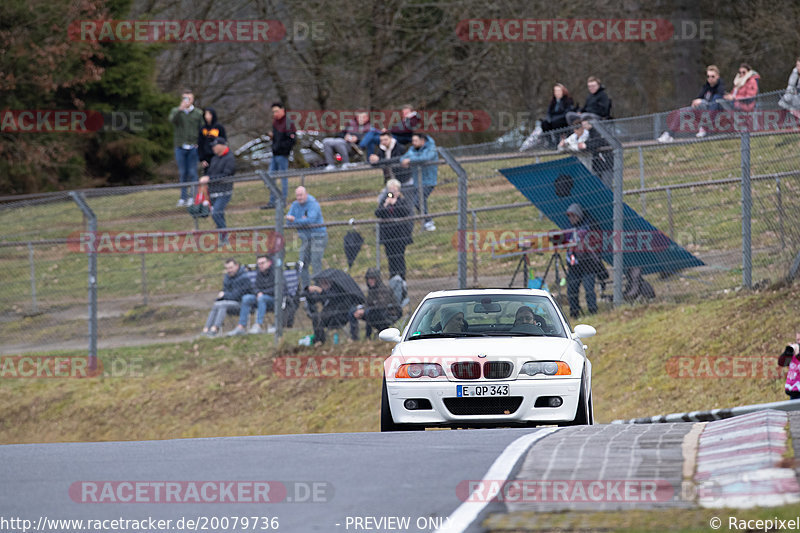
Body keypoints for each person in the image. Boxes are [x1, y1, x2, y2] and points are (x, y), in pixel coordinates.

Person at [661, 65, 726, 142]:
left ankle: (705, 128)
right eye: (708, 76)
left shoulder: (720, 88)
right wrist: (696, 102)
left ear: (717, 77)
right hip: (700, 112)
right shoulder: (706, 87)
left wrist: (701, 102)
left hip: (711, 116)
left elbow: (714, 104)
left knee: (705, 102)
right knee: (681, 112)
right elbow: (699, 98)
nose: (710, 79)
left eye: (712, 76)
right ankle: (669, 135)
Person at [306, 269, 364, 344]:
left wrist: (319, 290)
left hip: (337, 316)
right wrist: (308, 295)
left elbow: (331, 296)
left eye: (324, 282)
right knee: (315, 317)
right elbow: (317, 299)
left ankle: (319, 341)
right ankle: (319, 340)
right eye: (321, 283)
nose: (322, 284)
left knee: (318, 318)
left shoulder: (337, 291)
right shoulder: (326, 292)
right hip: (328, 316)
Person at [286, 186, 328, 289]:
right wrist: (301, 220)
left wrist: (295, 220)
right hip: (305, 238)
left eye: (301, 195)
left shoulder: (313, 204)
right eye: (297, 195)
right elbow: (288, 221)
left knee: (315, 261)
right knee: (302, 263)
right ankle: (306, 288)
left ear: (306, 194)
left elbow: (310, 220)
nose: (299, 197)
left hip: (318, 236)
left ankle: (318, 288)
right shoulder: (295, 205)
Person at [565, 203, 601, 319]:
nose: (571, 219)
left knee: (589, 289)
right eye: (570, 217)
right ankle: (574, 313)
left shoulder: (590, 226)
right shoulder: (569, 229)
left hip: (588, 264)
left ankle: (593, 311)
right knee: (572, 290)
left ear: (579, 216)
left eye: (574, 216)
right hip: (574, 266)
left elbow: (596, 245)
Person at [169, 89, 204, 207]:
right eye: (185, 98)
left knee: (193, 172)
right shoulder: (176, 111)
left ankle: (193, 197)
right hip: (180, 147)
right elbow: (172, 121)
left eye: (189, 98)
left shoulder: (198, 113)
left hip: (193, 147)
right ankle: (183, 198)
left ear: (193, 99)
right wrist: (180, 109)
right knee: (183, 173)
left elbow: (202, 129)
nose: (187, 101)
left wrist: (200, 143)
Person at [201, 258, 253, 337]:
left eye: (231, 268)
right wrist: (219, 298)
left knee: (222, 304)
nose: (229, 270)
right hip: (230, 302)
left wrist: (224, 295)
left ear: (237, 266)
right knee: (217, 304)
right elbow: (226, 292)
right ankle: (206, 330)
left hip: (242, 304)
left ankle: (214, 329)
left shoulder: (244, 277)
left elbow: (237, 296)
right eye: (227, 268)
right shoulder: (227, 277)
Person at [375, 179, 414, 280]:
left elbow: (405, 211)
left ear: (398, 191)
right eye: (390, 191)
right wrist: (386, 205)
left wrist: (395, 203)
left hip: (400, 235)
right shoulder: (384, 201)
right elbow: (378, 213)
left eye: (394, 190)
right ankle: (392, 277)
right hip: (388, 235)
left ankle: (401, 277)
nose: (392, 193)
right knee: (390, 257)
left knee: (399, 257)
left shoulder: (402, 200)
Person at [199, 137, 235, 241]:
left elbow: (227, 174)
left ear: (222, 146)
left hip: (224, 192)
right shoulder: (214, 158)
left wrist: (210, 178)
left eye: (215, 146)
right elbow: (210, 173)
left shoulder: (230, 158)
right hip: (213, 192)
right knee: (218, 214)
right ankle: (223, 238)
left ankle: (224, 238)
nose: (213, 148)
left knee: (216, 213)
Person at [261, 102, 296, 209]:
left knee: (283, 179)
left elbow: (292, 140)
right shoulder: (276, 123)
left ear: (283, 110)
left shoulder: (288, 123)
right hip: (275, 155)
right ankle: (273, 201)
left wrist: (282, 148)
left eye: (276, 111)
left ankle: (282, 201)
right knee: (270, 178)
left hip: (282, 155)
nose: (275, 113)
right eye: (273, 112)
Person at [350, 268, 402, 340]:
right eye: (368, 279)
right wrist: (361, 310)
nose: (370, 281)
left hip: (388, 313)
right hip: (373, 312)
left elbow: (382, 305)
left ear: (377, 279)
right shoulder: (371, 290)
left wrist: (365, 311)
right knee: (352, 312)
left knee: (368, 312)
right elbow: (368, 303)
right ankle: (354, 339)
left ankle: (368, 337)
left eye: (372, 278)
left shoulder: (383, 289)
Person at [521, 83, 577, 150]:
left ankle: (557, 142)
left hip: (562, 120)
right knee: (544, 123)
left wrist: (554, 119)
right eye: (555, 91)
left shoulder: (568, 101)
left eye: (559, 91)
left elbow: (567, 112)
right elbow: (549, 112)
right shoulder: (553, 102)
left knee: (555, 123)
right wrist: (549, 119)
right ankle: (550, 142)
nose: (557, 93)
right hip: (553, 120)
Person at [401, 133, 438, 231]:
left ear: (423, 141)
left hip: (429, 181)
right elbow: (403, 158)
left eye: (415, 141)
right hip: (417, 181)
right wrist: (405, 161)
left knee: (418, 201)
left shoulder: (431, 149)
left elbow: (425, 158)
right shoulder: (412, 150)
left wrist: (410, 160)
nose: (413, 143)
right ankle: (426, 222)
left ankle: (428, 221)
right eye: (412, 141)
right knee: (420, 201)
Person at [233, 254, 277, 335]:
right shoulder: (259, 273)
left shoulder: (276, 272)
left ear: (269, 263)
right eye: (259, 264)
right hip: (261, 298)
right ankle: (241, 326)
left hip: (274, 299)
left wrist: (262, 293)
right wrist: (258, 293)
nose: (260, 265)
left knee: (262, 298)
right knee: (246, 298)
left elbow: (278, 288)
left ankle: (258, 325)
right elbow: (255, 287)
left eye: (262, 263)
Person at [198, 108, 227, 172]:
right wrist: (202, 159)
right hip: (207, 157)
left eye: (209, 114)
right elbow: (200, 144)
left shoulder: (219, 127)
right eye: (206, 114)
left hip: (218, 156)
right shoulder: (203, 129)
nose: (207, 117)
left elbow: (224, 141)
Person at [778, 333, 800, 400]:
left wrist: (798, 355)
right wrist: (787, 353)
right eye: (798, 340)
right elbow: (781, 363)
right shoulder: (794, 354)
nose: (799, 342)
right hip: (793, 392)